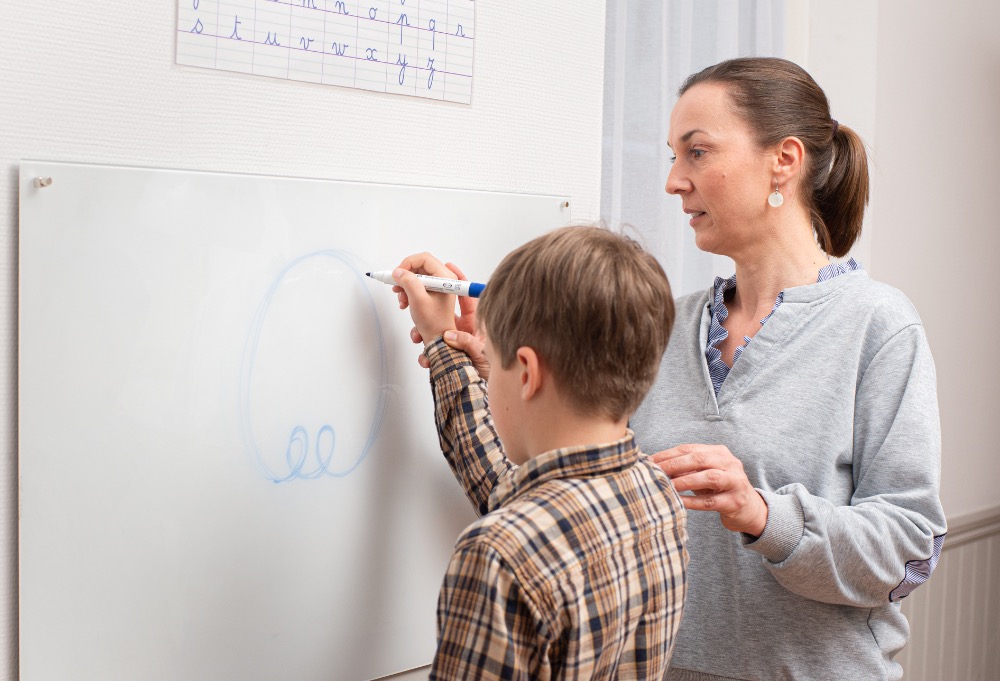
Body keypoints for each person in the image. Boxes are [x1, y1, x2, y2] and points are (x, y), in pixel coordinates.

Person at [411, 57, 947, 680]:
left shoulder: (879, 326)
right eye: (673, 155)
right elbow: (543, 495)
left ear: (785, 160)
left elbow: (911, 548)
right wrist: (471, 354)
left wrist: (765, 516)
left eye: (696, 152)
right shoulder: (668, 324)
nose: (673, 180)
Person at [390, 226, 689, 679]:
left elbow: (518, 518)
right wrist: (445, 345)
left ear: (527, 372)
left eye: (493, 356)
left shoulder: (499, 555)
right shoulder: (657, 494)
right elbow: (514, 495)